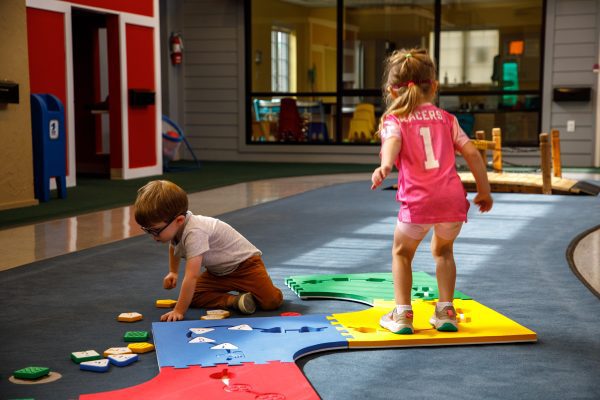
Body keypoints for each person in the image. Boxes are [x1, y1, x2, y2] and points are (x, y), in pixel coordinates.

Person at [371, 48, 493, 334]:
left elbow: (392, 143)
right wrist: (484, 191)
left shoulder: (395, 120)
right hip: (452, 201)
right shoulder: (447, 119)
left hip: (418, 204)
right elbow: (473, 154)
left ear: (391, 90)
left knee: (402, 253)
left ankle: (402, 314)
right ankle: (446, 311)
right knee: (444, 251)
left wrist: (386, 165)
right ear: (434, 86)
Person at [134, 180, 283, 322]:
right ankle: (235, 300)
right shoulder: (176, 228)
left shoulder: (195, 232)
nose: (153, 236)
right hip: (217, 272)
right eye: (147, 230)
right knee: (192, 297)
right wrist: (173, 271)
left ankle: (260, 288)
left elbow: (191, 276)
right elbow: (174, 245)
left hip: (245, 266)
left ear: (179, 220)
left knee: (271, 302)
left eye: (155, 231)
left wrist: (179, 310)